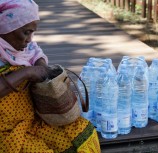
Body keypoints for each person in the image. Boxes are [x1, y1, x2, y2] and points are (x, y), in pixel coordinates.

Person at [0, 0, 101, 152]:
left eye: (32, 32)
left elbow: (36, 52)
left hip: (32, 118)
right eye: (26, 32)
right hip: (6, 130)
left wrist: (41, 64)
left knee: (80, 130)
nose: (29, 39)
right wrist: (26, 72)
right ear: (7, 27)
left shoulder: (24, 47)